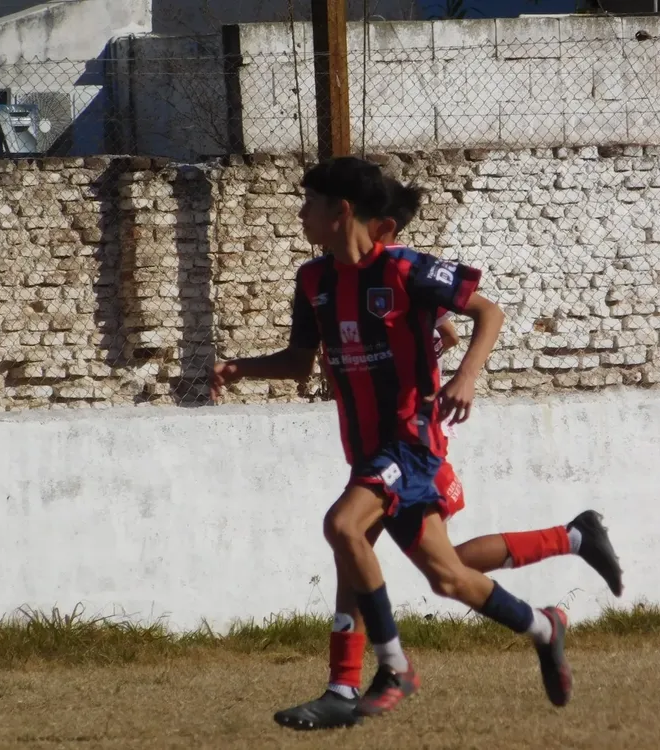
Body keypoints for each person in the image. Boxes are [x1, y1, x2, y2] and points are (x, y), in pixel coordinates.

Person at [210, 158, 622, 730]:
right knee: (446, 574)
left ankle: (385, 671)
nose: (300, 213)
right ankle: (544, 625)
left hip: (410, 444)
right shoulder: (313, 281)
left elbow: (488, 312)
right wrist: (240, 369)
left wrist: (467, 374)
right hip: (367, 449)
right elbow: (300, 362)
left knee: (344, 528)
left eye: (309, 202)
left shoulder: (407, 269)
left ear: (341, 211)